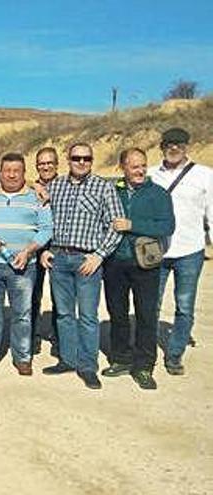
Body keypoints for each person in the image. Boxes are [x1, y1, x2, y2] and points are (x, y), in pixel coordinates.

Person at [40, 143, 124, 390]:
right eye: (76, 158)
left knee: (87, 316)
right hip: (59, 259)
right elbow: (45, 221)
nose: (81, 162)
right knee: (64, 314)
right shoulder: (55, 186)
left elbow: (115, 225)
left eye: (86, 158)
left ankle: (88, 366)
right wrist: (46, 248)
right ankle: (67, 359)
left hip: (87, 260)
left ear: (92, 160)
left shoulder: (103, 187)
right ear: (68, 159)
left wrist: (99, 255)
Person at [0, 153, 53, 376]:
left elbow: (46, 230)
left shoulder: (37, 198)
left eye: (17, 170)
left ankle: (22, 357)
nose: (12, 175)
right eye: (7, 170)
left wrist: (28, 251)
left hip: (24, 265)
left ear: (24, 173)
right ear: (1, 172)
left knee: (22, 313)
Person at [101, 148, 174, 390]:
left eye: (143, 165)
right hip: (115, 263)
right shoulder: (113, 191)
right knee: (118, 313)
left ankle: (143, 366)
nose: (140, 170)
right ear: (123, 167)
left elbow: (166, 226)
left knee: (146, 315)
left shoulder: (158, 194)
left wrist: (132, 225)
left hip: (146, 264)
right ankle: (121, 359)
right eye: (134, 166)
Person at [150, 127, 213, 375]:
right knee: (151, 304)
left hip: (190, 251)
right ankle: (147, 350)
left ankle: (174, 354)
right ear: (162, 147)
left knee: (184, 306)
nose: (173, 148)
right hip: (157, 251)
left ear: (187, 146)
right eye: (168, 144)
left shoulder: (205, 175)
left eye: (179, 144)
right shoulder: (151, 174)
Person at [31, 147, 60, 356]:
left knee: (60, 297)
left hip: (60, 247)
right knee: (33, 294)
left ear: (57, 164)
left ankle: (59, 338)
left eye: (49, 163)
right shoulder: (31, 188)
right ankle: (32, 336)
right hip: (36, 245)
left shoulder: (66, 185)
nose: (46, 166)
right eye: (41, 163)